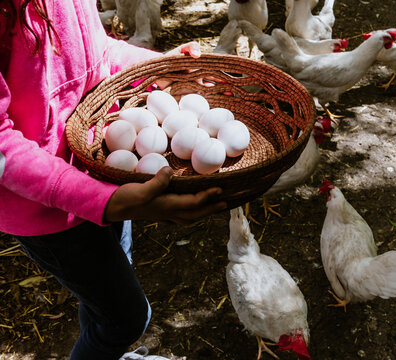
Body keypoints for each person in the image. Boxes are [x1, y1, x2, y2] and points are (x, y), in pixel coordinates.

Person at [0, 1, 227, 359]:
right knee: (126, 318)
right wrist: (105, 201)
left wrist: (155, 67)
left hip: (102, 170)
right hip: (44, 211)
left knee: (105, 291)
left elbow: (97, 52)